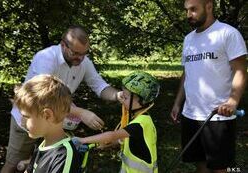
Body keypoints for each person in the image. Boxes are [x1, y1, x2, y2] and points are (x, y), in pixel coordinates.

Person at [1, 25, 121, 173]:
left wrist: (118, 95)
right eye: (76, 53)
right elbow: (45, 98)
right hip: (27, 118)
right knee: (13, 164)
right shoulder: (46, 58)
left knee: (42, 161)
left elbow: (99, 85)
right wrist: (81, 112)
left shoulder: (83, 62)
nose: (81, 58)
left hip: (52, 122)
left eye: (84, 53)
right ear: (63, 45)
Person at [170, 0, 247, 172]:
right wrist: (177, 103)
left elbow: (241, 70)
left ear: (209, 6)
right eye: (186, 10)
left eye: (193, 9)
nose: (188, 15)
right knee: (200, 164)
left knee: (220, 168)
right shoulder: (188, 39)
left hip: (218, 116)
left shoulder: (227, 33)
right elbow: (187, 73)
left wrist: (233, 101)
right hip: (191, 114)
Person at [74, 72, 160, 173]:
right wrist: (101, 144)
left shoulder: (141, 123)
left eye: (126, 98)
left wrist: (82, 140)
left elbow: (112, 135)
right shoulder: (137, 117)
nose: (122, 100)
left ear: (143, 101)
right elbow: (123, 140)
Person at [12, 74, 82, 173]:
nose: (22, 122)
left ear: (47, 115)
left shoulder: (64, 156)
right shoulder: (44, 144)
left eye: (26, 117)